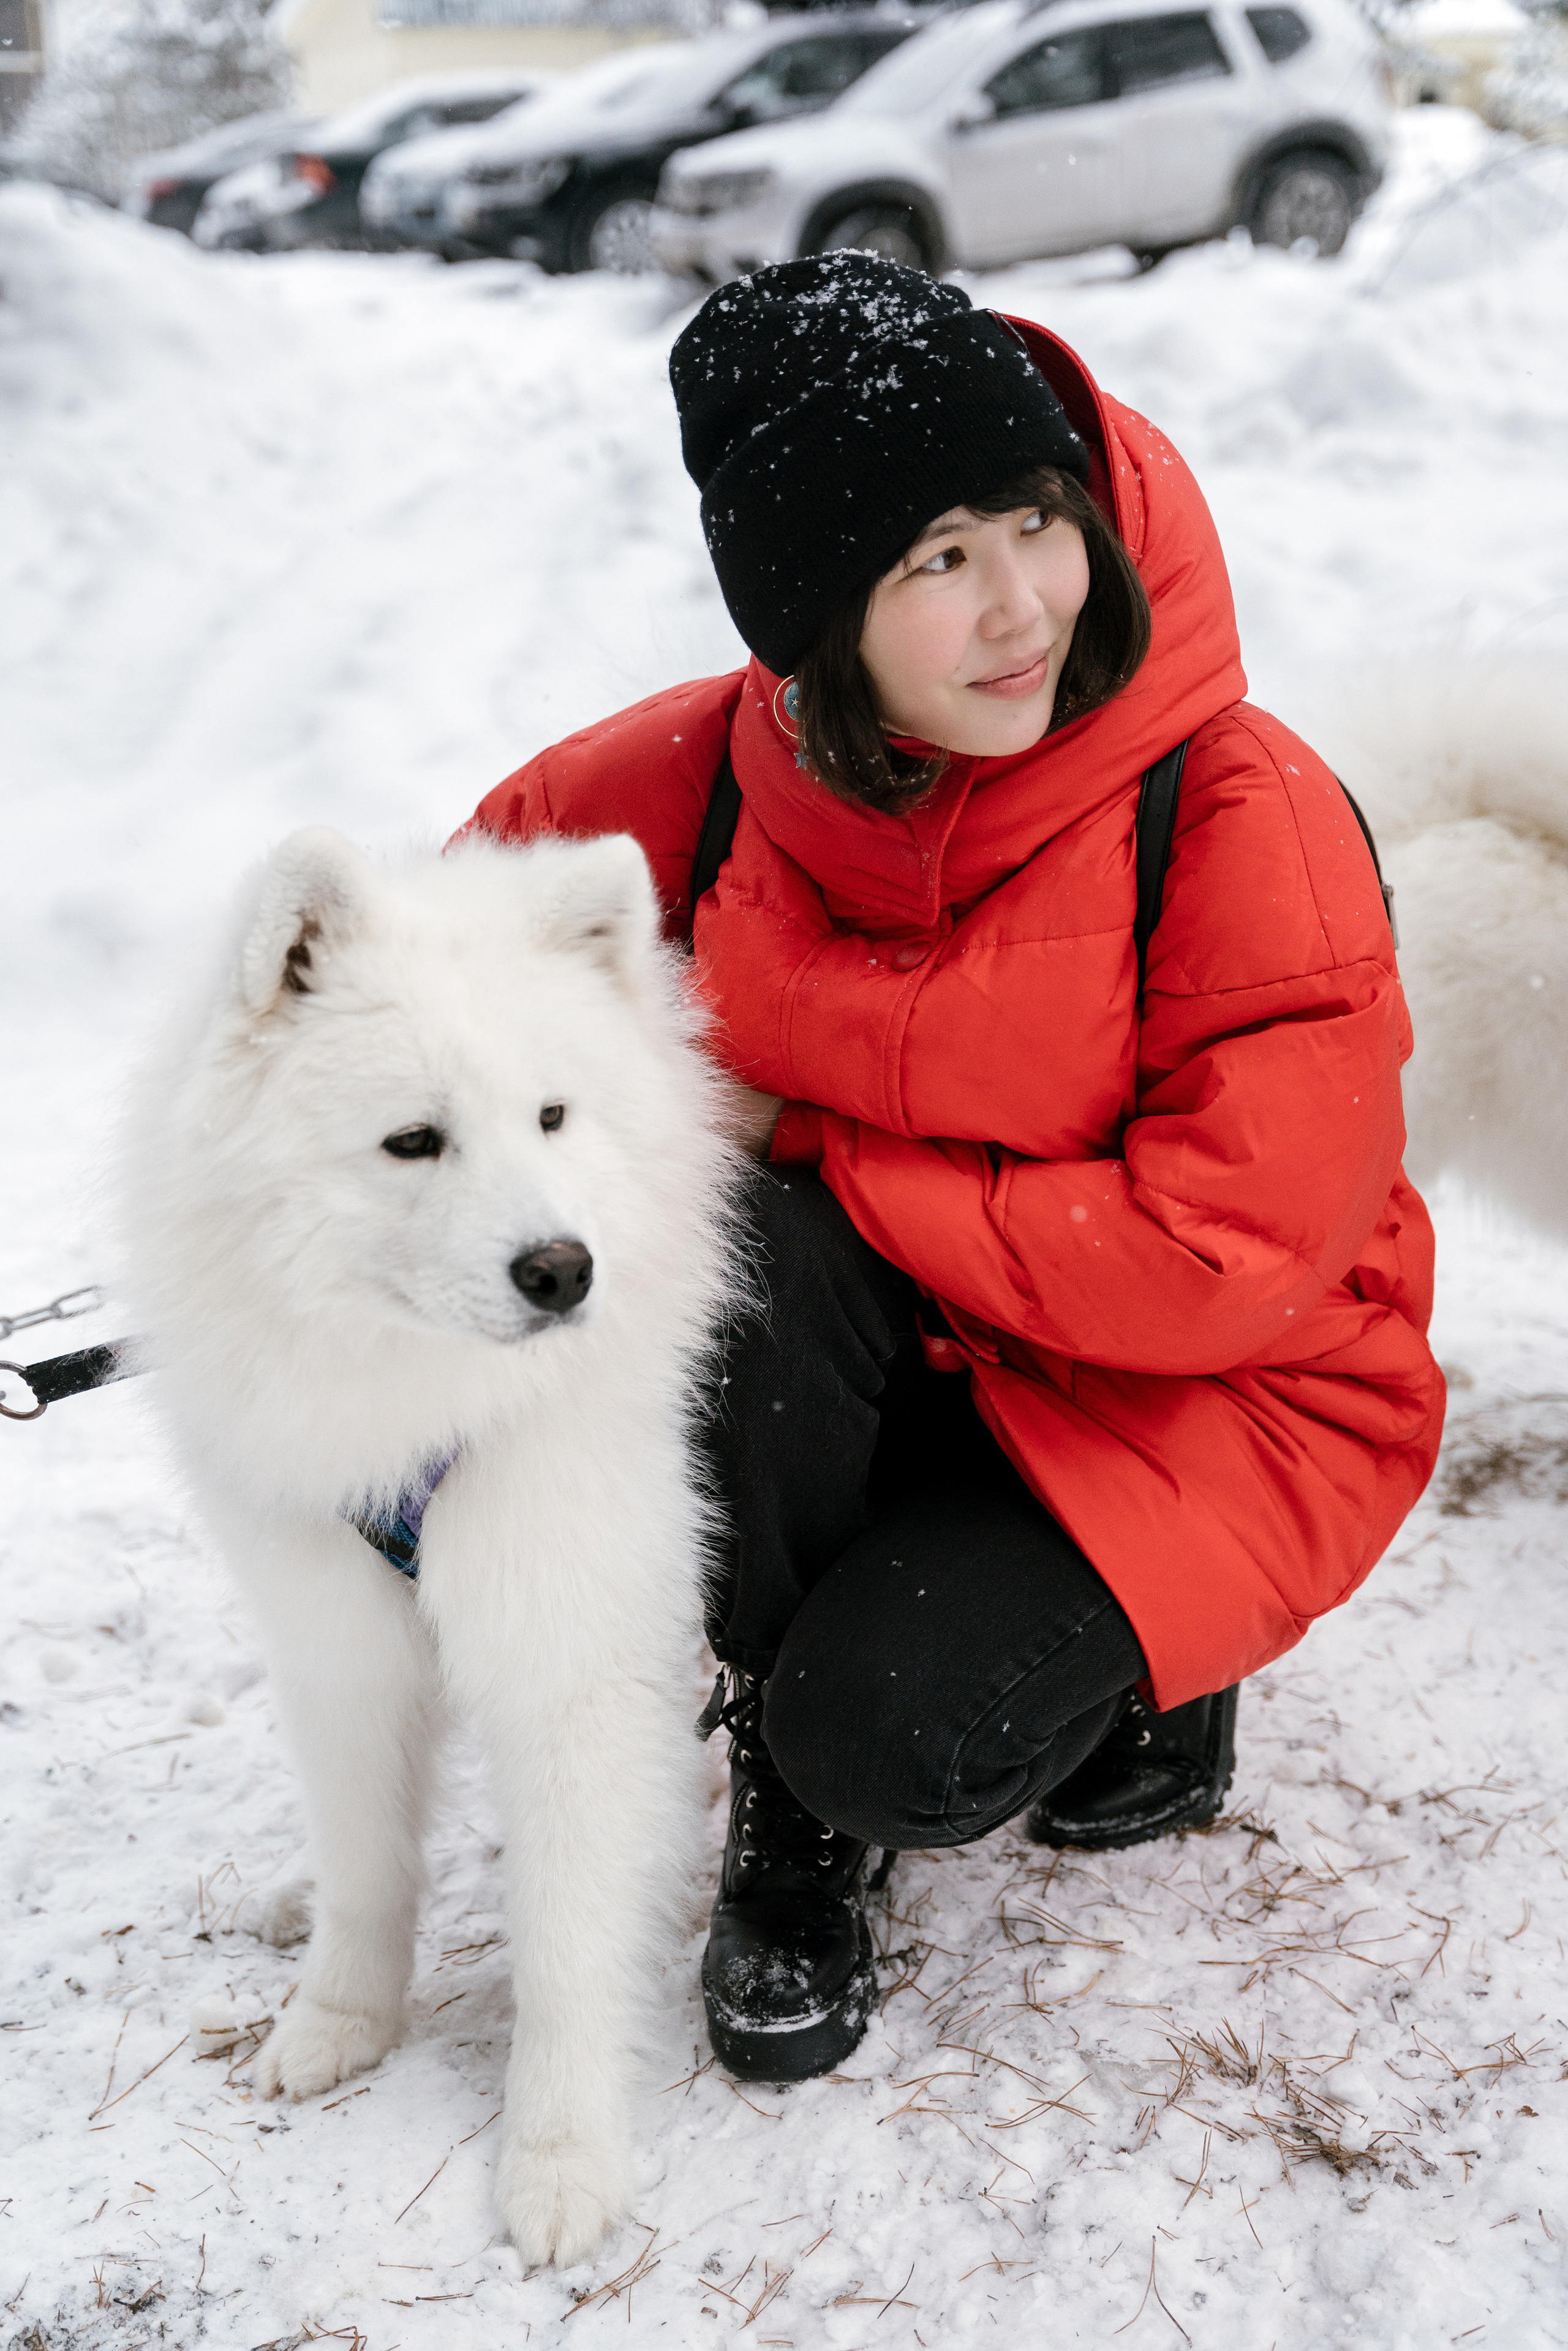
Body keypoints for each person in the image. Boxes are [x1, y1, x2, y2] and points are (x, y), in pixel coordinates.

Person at [463, 255, 1444, 2085]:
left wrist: (826, 1142)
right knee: (726, 1254)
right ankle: (787, 1766)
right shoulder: (722, 776)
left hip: (1214, 1393)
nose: (1021, 611)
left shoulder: (1239, 808)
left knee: (898, 1736)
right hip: (922, 1343)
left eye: (1036, 524)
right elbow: (449, 965)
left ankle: (1145, 1664)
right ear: (816, 620)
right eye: (934, 563)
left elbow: (1225, 1259)